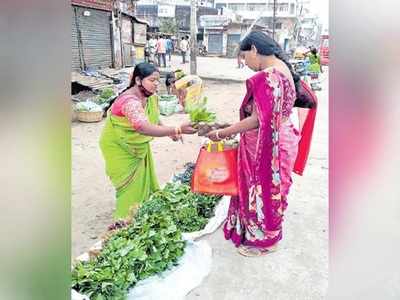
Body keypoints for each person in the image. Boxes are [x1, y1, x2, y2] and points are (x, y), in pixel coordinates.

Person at [206, 31, 316, 257]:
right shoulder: (285, 70)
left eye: (245, 57)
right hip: (284, 137)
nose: (246, 63)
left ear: (255, 49)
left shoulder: (268, 75)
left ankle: (266, 240)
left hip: (266, 142)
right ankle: (270, 232)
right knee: (275, 189)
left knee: (262, 190)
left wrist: (221, 133)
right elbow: (268, 113)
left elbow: (257, 119)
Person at [99, 63, 197, 219]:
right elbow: (143, 127)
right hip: (119, 146)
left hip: (137, 145)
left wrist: (167, 132)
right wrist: (177, 129)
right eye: (152, 80)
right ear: (138, 80)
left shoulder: (150, 97)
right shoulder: (129, 101)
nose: (156, 84)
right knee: (129, 187)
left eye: (158, 80)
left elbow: (153, 117)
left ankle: (141, 210)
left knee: (141, 183)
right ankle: (125, 220)